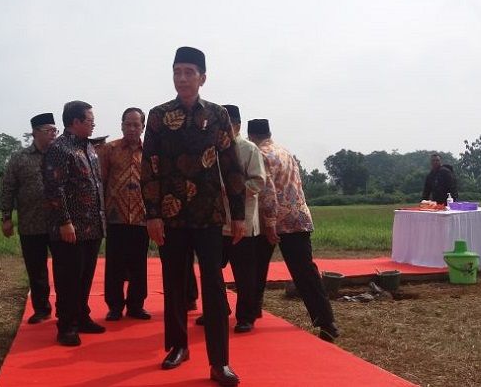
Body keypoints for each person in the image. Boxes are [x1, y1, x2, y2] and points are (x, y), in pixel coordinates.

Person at [141, 46, 245, 387]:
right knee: (173, 284)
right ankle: (178, 346)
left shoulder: (217, 116)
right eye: (177, 72)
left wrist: (239, 215)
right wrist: (152, 215)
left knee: (213, 287)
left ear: (202, 77)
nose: (182, 78)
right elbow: (149, 168)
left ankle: (220, 363)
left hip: (209, 213)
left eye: (189, 72)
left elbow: (231, 166)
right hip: (170, 215)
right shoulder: (157, 117)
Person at [248, 119, 339, 342]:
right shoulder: (285, 152)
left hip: (275, 220)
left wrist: (269, 224)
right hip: (298, 217)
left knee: (255, 268)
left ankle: (250, 313)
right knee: (305, 273)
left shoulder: (260, 154)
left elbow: (268, 193)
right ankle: (326, 321)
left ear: (251, 136)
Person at [42, 100, 107, 347]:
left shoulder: (88, 148)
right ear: (76, 122)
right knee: (68, 277)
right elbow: (53, 188)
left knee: (85, 275)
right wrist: (65, 221)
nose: (93, 124)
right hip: (71, 227)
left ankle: (81, 316)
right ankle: (66, 326)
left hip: (92, 226)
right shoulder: (60, 148)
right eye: (90, 120)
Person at [213, 105, 277, 333]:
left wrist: (232, 191)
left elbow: (258, 182)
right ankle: (218, 309)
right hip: (216, 222)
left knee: (244, 274)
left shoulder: (249, 149)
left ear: (237, 125)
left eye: (225, 124)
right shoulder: (212, 148)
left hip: (243, 222)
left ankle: (246, 316)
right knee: (212, 271)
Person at [1, 113, 58, 324]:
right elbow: (8, 188)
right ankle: (42, 308)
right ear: (35, 132)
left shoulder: (60, 154)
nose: (53, 134)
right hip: (31, 223)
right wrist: (6, 217)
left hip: (58, 223)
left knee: (63, 268)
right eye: (48, 130)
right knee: (36, 269)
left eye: (55, 130)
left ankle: (65, 307)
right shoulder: (19, 158)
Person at [100, 108, 151, 321]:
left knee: (139, 264)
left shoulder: (150, 151)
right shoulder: (109, 150)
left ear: (143, 127)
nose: (131, 128)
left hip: (141, 217)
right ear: (121, 124)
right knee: (114, 264)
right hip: (115, 217)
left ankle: (136, 306)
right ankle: (114, 306)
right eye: (128, 124)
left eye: (136, 125)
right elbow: (100, 182)